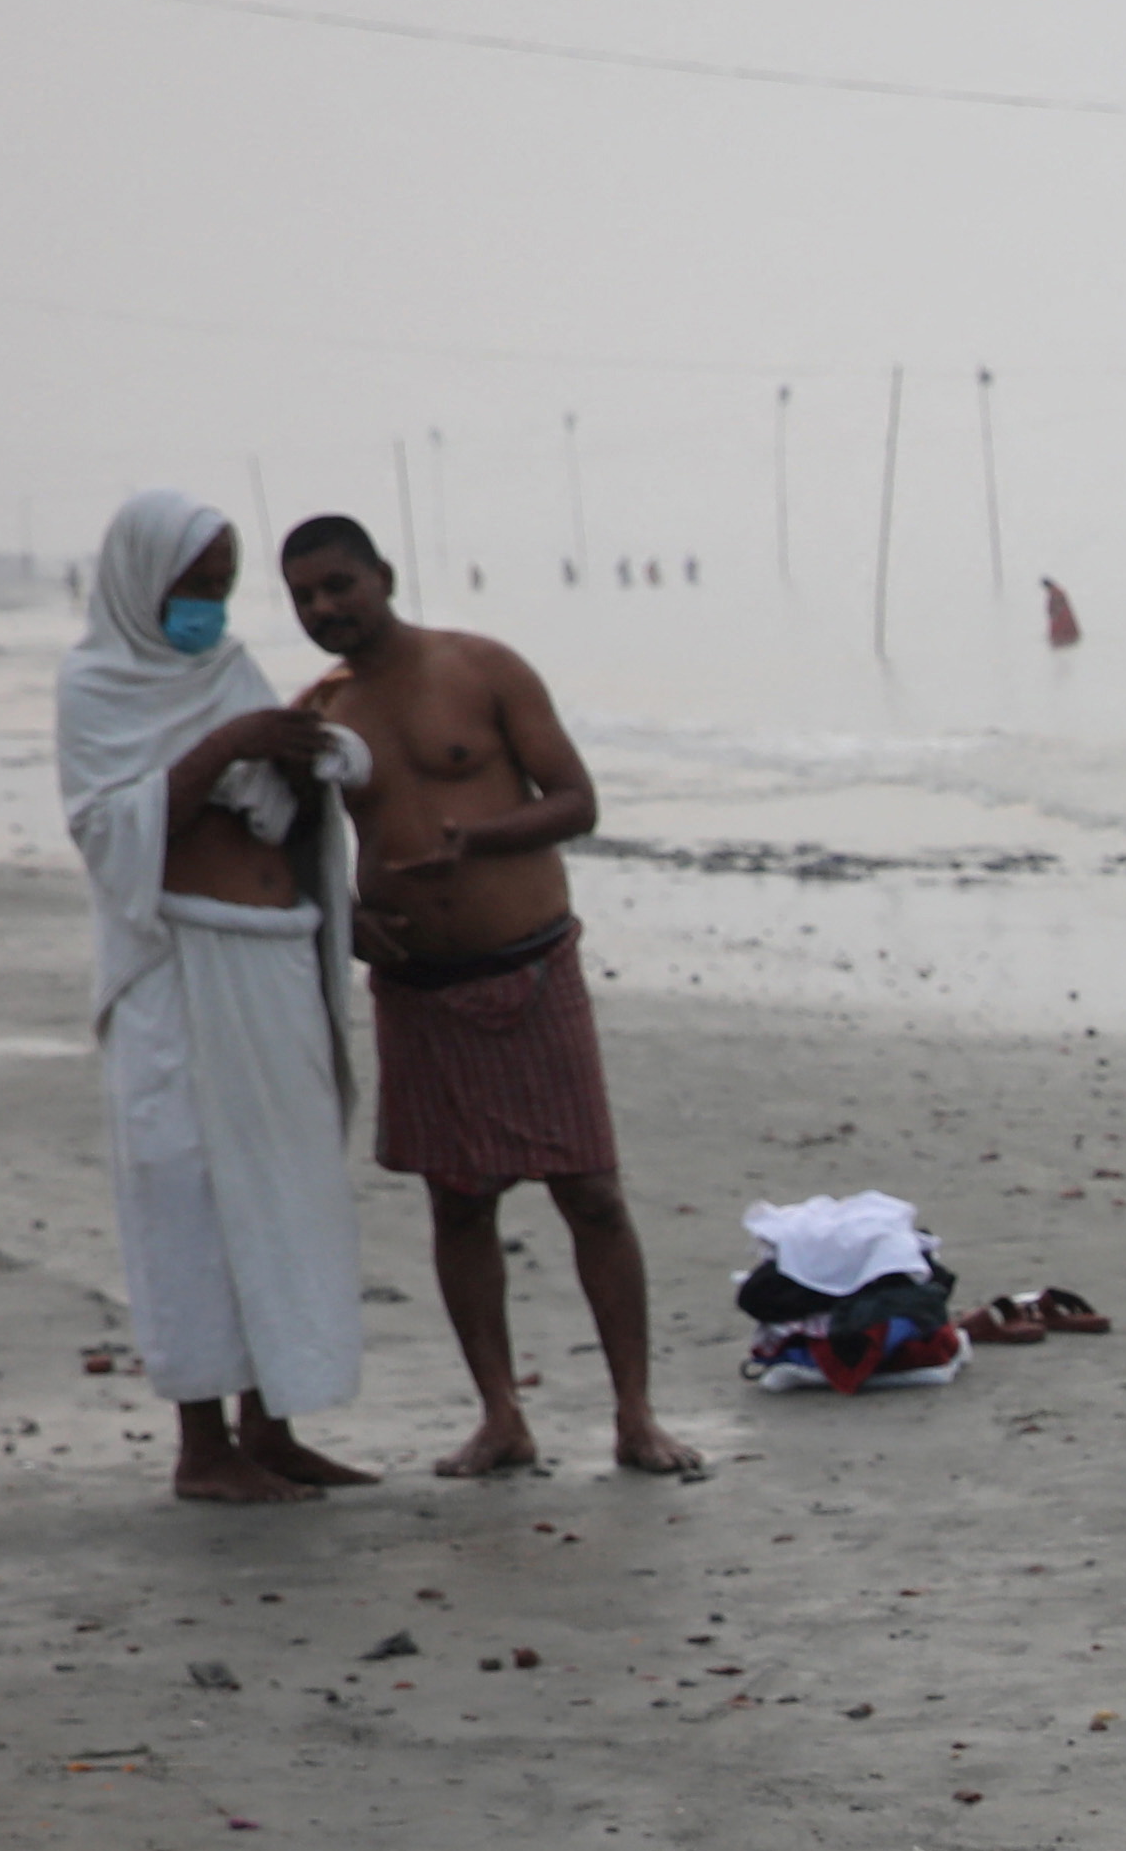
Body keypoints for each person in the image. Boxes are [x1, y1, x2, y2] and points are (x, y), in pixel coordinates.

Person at [284, 514, 702, 1480]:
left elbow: (576, 800)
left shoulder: (479, 669)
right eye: (306, 596)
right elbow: (297, 846)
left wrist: (482, 840)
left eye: (340, 585)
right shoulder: (320, 715)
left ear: (383, 576)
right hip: (419, 987)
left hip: (529, 965)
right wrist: (347, 918)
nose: (326, 608)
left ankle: (635, 1414)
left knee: (591, 1193)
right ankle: (501, 1416)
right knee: (459, 1202)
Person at [53, 491, 378, 1502]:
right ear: (143, 585)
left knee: (285, 1185)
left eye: (222, 589)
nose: (209, 608)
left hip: (272, 955)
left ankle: (271, 1423)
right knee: (187, 1189)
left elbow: (279, 803)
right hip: (179, 971)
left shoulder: (229, 669)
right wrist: (226, 748)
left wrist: (307, 761)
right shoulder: (95, 685)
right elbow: (109, 832)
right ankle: (202, 1445)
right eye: (192, 590)